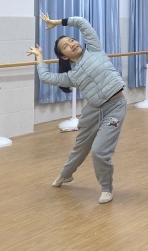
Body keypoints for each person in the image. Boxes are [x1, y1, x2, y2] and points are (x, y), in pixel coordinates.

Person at [30, 13, 127, 205]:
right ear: (64, 56)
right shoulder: (71, 76)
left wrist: (56, 22)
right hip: (94, 110)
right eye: (66, 46)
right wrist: (39, 57)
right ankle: (66, 174)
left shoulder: (95, 50)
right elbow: (46, 78)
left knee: (99, 151)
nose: (72, 44)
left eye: (72, 40)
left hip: (115, 107)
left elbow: (82, 22)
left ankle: (106, 188)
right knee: (80, 146)